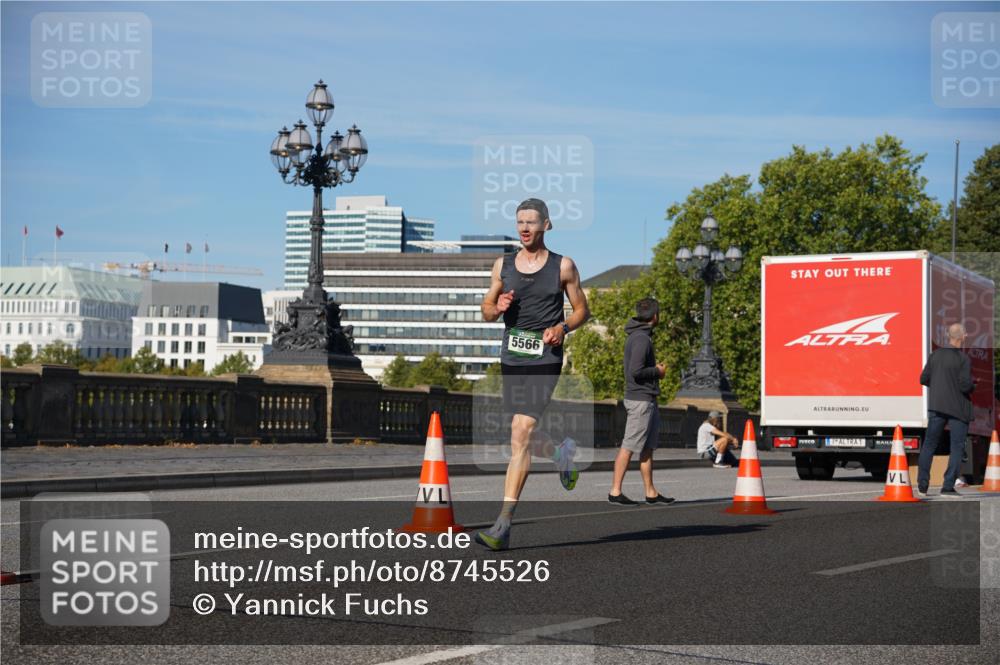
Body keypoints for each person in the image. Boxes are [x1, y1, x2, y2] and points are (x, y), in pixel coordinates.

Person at [475, 198, 590, 551]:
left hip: (546, 355)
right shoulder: (503, 265)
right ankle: (560, 454)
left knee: (520, 430)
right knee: (520, 435)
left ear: (545, 226)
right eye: (520, 222)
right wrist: (498, 307)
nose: (525, 228)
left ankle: (503, 524)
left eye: (531, 222)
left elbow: (582, 310)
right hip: (513, 355)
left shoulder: (563, 266)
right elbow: (486, 311)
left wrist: (562, 327)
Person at [608, 298, 675, 506]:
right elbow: (635, 371)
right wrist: (658, 371)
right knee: (629, 446)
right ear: (655, 316)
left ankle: (650, 492)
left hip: (646, 399)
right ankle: (615, 491)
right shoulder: (641, 339)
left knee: (647, 448)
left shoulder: (640, 336)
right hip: (640, 400)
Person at [918, 322, 974, 498]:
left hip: (936, 406)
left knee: (929, 445)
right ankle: (947, 486)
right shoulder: (963, 359)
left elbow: (923, 378)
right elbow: (965, 386)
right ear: (962, 337)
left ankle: (922, 484)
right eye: (965, 335)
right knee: (956, 447)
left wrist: (939, 386)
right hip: (958, 408)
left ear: (949, 336)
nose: (966, 337)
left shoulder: (935, 355)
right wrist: (973, 385)